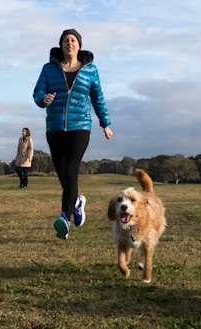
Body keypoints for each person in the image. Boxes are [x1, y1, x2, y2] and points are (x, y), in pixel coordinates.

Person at [33, 28, 113, 240]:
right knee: (61, 172)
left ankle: (64, 219)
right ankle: (77, 201)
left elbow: (98, 97)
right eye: (66, 40)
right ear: (61, 45)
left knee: (70, 170)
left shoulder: (90, 70)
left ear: (79, 45)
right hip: (55, 126)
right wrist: (43, 99)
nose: (70, 43)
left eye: (73, 40)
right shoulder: (49, 69)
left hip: (80, 126)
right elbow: (37, 92)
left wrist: (105, 123)